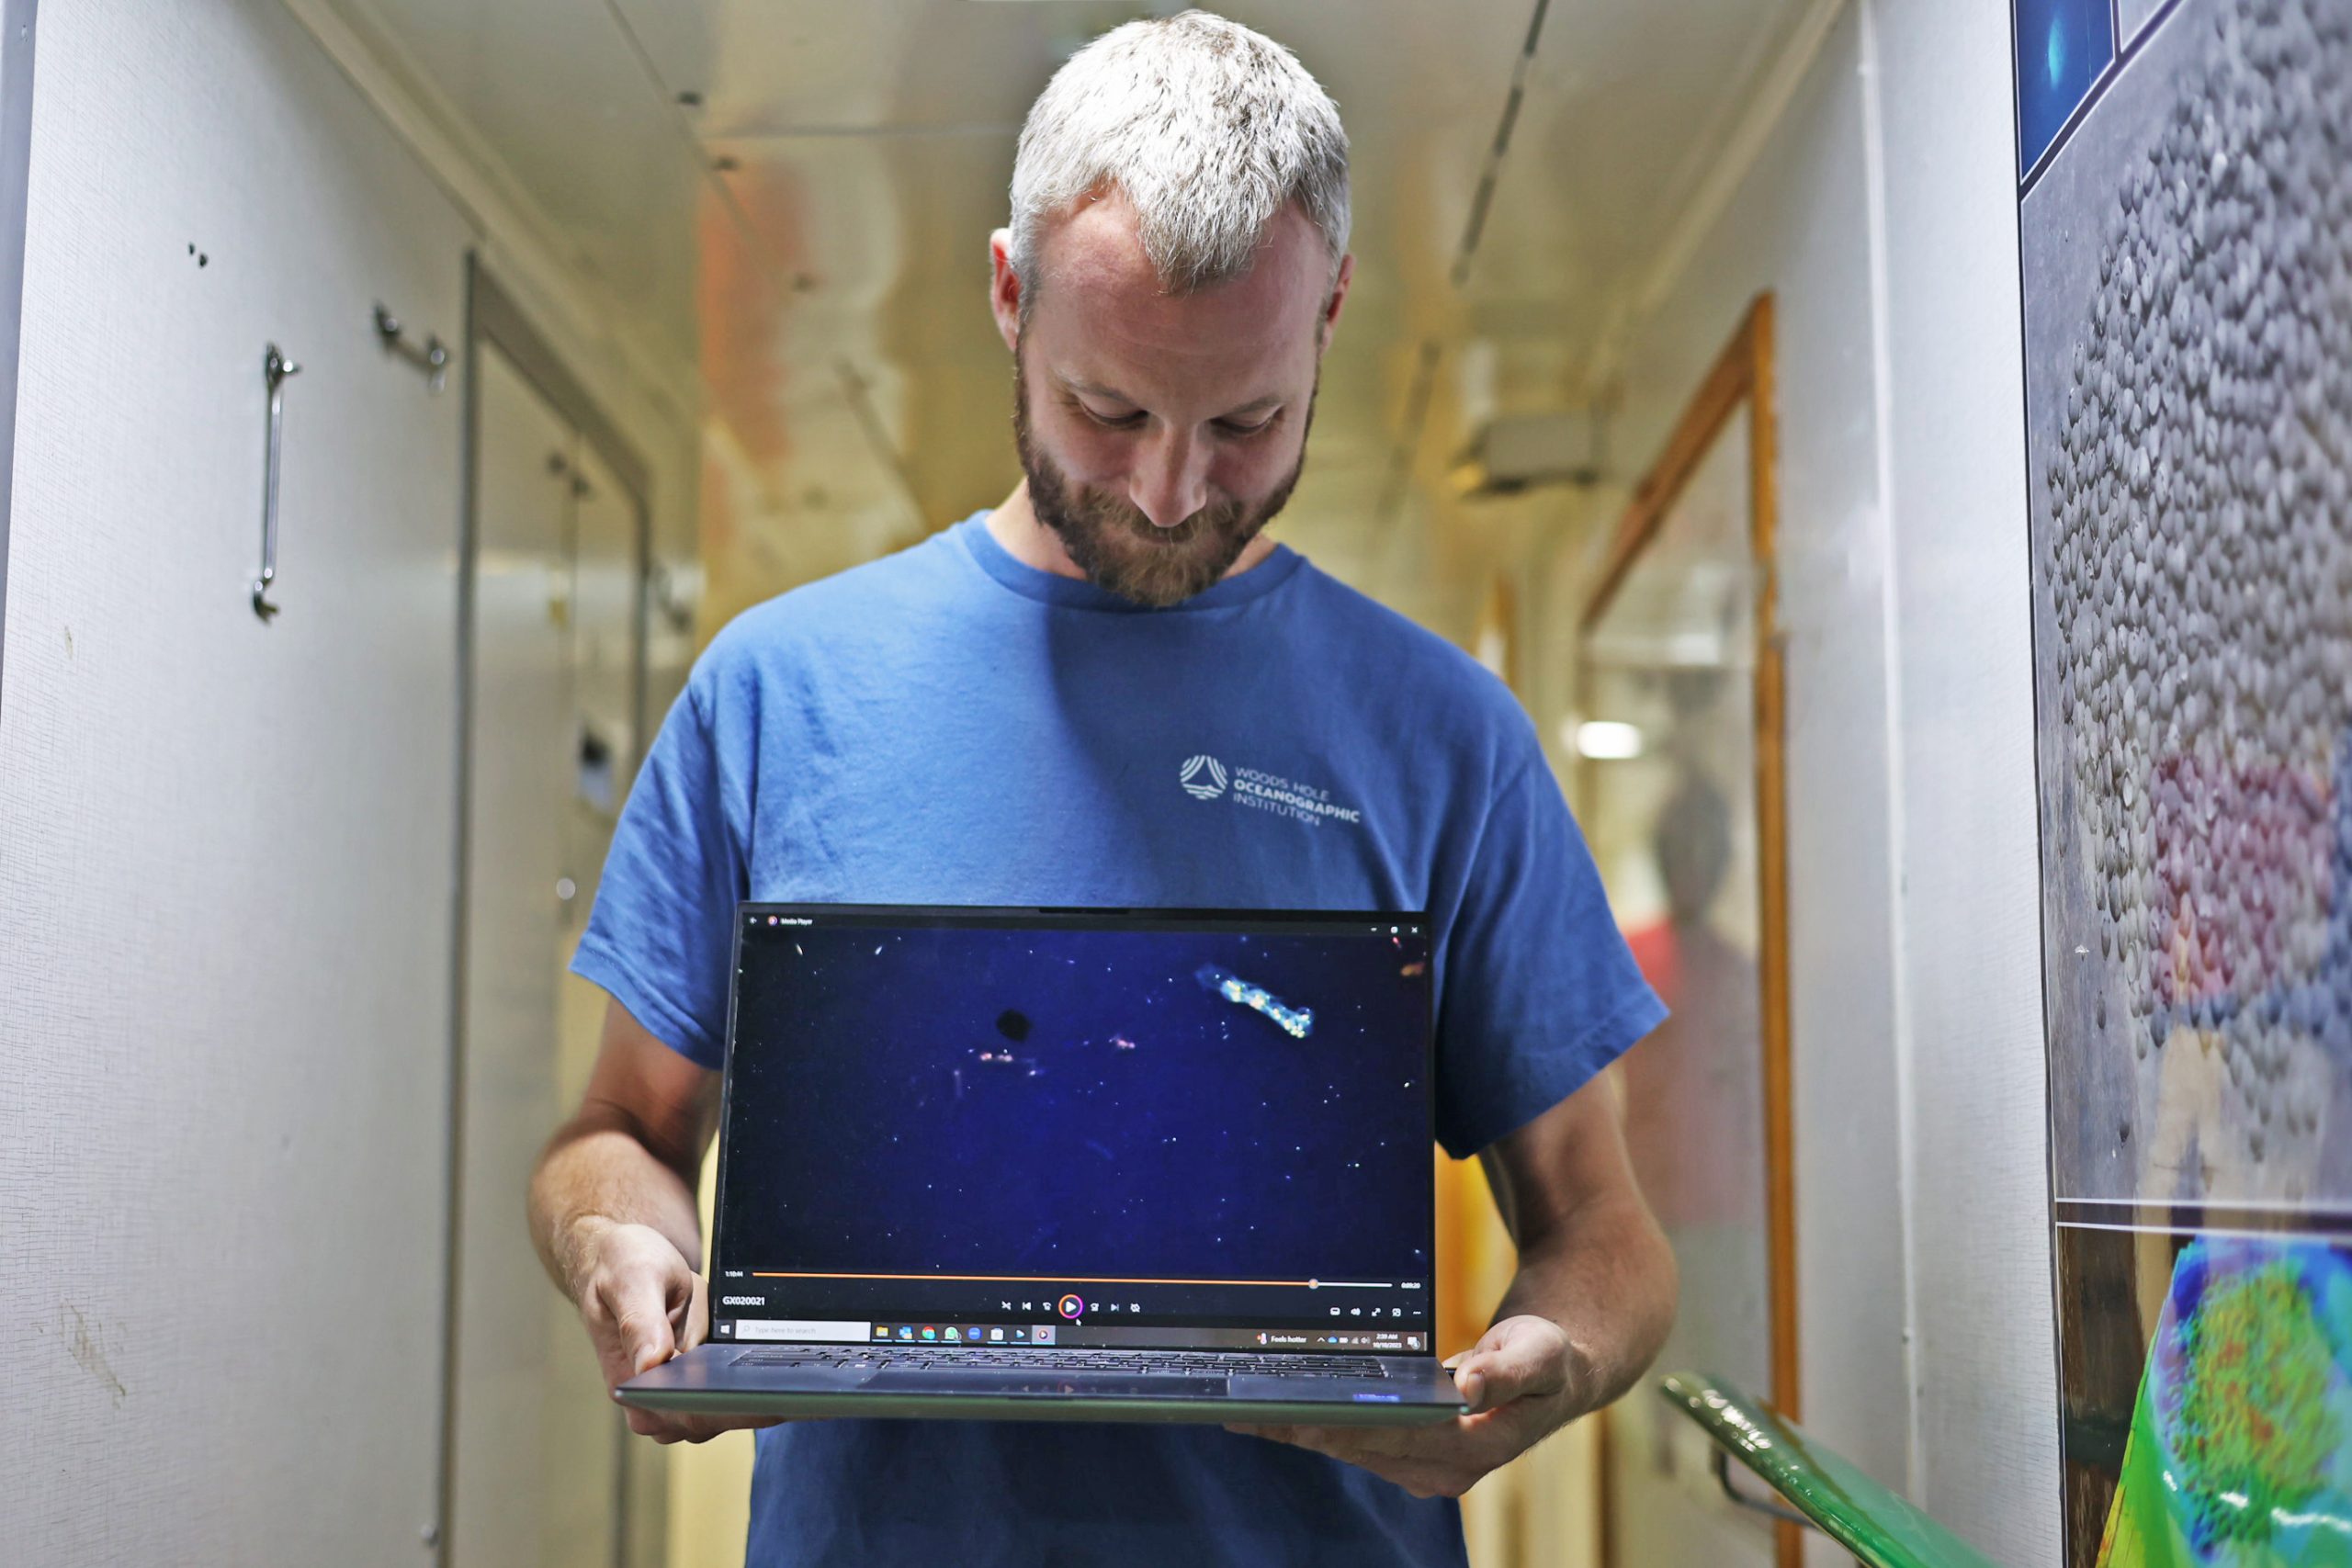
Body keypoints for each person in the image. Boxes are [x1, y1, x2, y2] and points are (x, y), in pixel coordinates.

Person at [526, 12, 1675, 1564]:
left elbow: (1607, 1234)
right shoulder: (777, 693)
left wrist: (1557, 1359)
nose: (1169, 489)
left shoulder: (1442, 735)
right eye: (1111, 410)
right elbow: (618, 1129)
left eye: (1247, 422)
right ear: (1010, 293)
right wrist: (618, 1235)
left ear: (1331, 313)